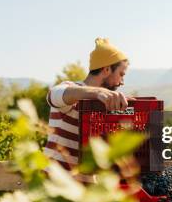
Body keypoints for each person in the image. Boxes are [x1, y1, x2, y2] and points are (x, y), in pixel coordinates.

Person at [44, 38, 129, 171]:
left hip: (86, 187)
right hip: (57, 183)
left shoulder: (106, 103)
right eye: (121, 74)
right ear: (106, 70)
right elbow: (53, 95)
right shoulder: (73, 89)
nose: (122, 81)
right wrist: (97, 92)